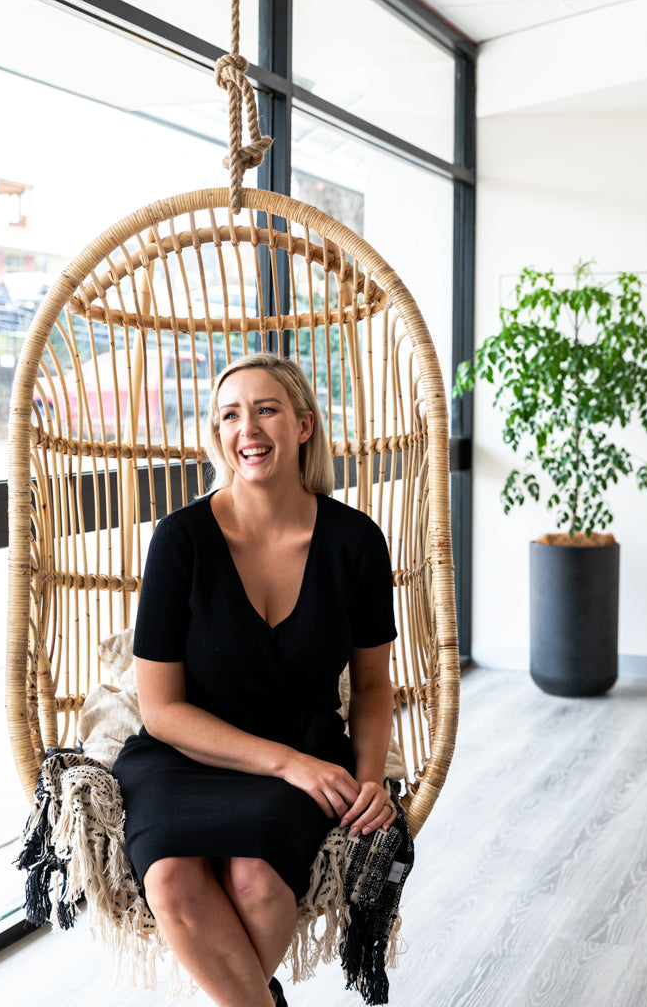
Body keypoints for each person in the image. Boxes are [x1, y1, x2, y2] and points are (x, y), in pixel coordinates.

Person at [112, 353, 398, 1007]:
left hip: (305, 737)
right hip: (186, 750)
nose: (248, 428)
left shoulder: (356, 543)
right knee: (173, 882)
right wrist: (288, 765)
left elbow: (375, 686)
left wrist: (372, 776)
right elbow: (159, 709)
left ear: (303, 425)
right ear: (217, 436)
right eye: (230, 415)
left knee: (257, 885)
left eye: (265, 409)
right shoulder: (180, 540)